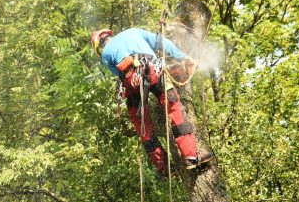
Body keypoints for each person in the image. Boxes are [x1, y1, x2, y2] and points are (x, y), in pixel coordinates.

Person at [91, 28, 213, 177]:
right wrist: (182, 57)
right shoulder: (134, 31)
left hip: (132, 82)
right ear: (110, 35)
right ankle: (191, 156)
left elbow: (119, 74)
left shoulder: (105, 55)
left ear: (100, 45)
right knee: (174, 108)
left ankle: (164, 167)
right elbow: (161, 42)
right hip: (153, 70)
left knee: (142, 125)